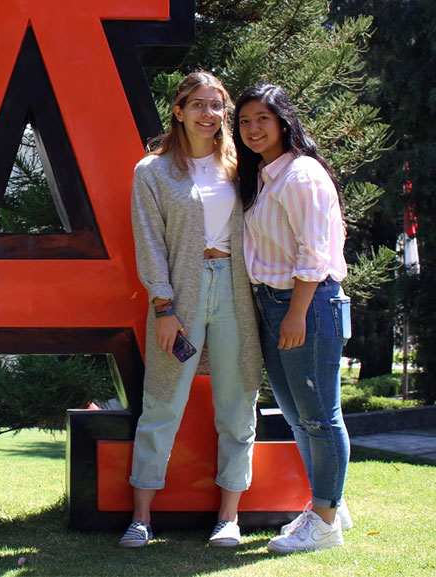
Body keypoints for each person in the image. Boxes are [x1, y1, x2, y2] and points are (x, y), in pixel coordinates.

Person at [120, 71, 263, 548]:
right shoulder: (153, 171)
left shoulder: (242, 167)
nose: (210, 114)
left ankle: (229, 517)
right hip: (179, 296)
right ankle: (140, 517)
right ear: (178, 111)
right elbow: (149, 242)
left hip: (236, 297)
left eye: (217, 105)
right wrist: (164, 307)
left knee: (238, 404)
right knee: (162, 402)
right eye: (198, 105)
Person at [234, 83, 352, 553]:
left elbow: (313, 253)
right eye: (243, 121)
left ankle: (324, 524)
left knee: (321, 417)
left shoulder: (301, 175)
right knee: (301, 419)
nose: (252, 129)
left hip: (306, 303)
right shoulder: (265, 176)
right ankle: (329, 503)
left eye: (262, 118)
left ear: (283, 121)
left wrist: (297, 313)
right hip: (272, 303)